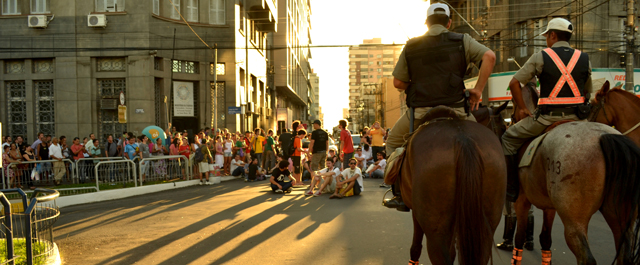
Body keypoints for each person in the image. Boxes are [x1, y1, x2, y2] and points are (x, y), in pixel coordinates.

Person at [384, 3, 496, 211]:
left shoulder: (411, 46)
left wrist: (415, 85)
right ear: (449, 23)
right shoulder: (463, 40)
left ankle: (399, 193)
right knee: (486, 145)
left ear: (426, 24)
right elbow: (489, 57)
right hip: (457, 111)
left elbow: (398, 83)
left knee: (392, 142)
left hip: (420, 112)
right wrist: (478, 89)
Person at [502, 17, 591, 203]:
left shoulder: (541, 56)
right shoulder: (584, 58)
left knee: (508, 139)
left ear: (552, 35)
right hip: (579, 120)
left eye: (546, 36)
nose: (546, 40)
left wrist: (525, 108)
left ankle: (511, 189)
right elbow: (587, 91)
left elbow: (514, 83)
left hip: (547, 119)